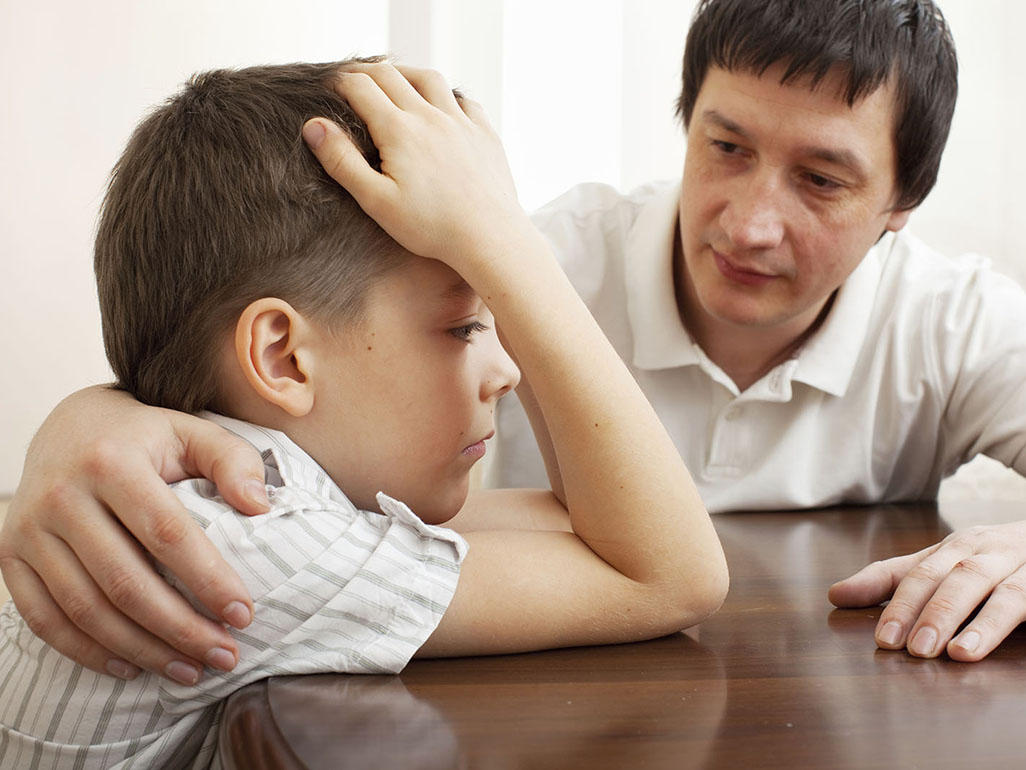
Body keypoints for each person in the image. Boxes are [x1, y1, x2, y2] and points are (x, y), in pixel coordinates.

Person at [2, 0, 1023, 674]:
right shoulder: (509, 263)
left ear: (904, 202)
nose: (751, 222)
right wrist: (94, 414)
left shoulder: (954, 319)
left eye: (822, 179)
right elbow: (233, 362)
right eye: (725, 145)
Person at [0, 60, 726, 767]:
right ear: (284, 358)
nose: (506, 372)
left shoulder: (267, 488)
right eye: (465, 327)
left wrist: (493, 233)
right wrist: (508, 248)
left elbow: (594, 531)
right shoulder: (250, 543)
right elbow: (671, 577)